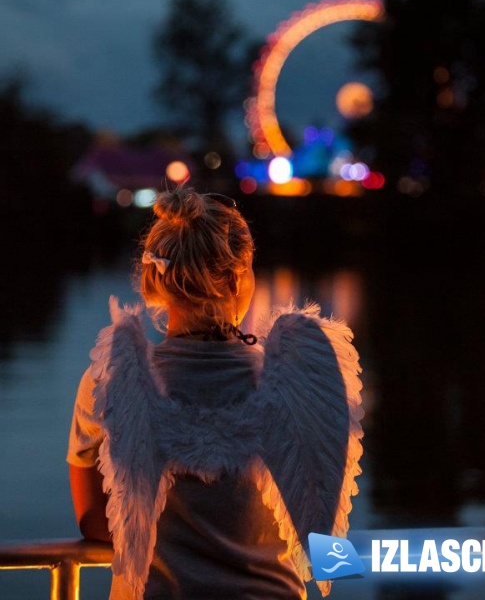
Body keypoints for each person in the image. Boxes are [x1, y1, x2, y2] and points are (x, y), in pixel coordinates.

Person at [67, 187, 363, 600]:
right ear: (236, 277)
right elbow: (322, 538)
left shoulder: (110, 379)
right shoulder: (298, 377)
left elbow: (95, 521)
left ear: (155, 279)